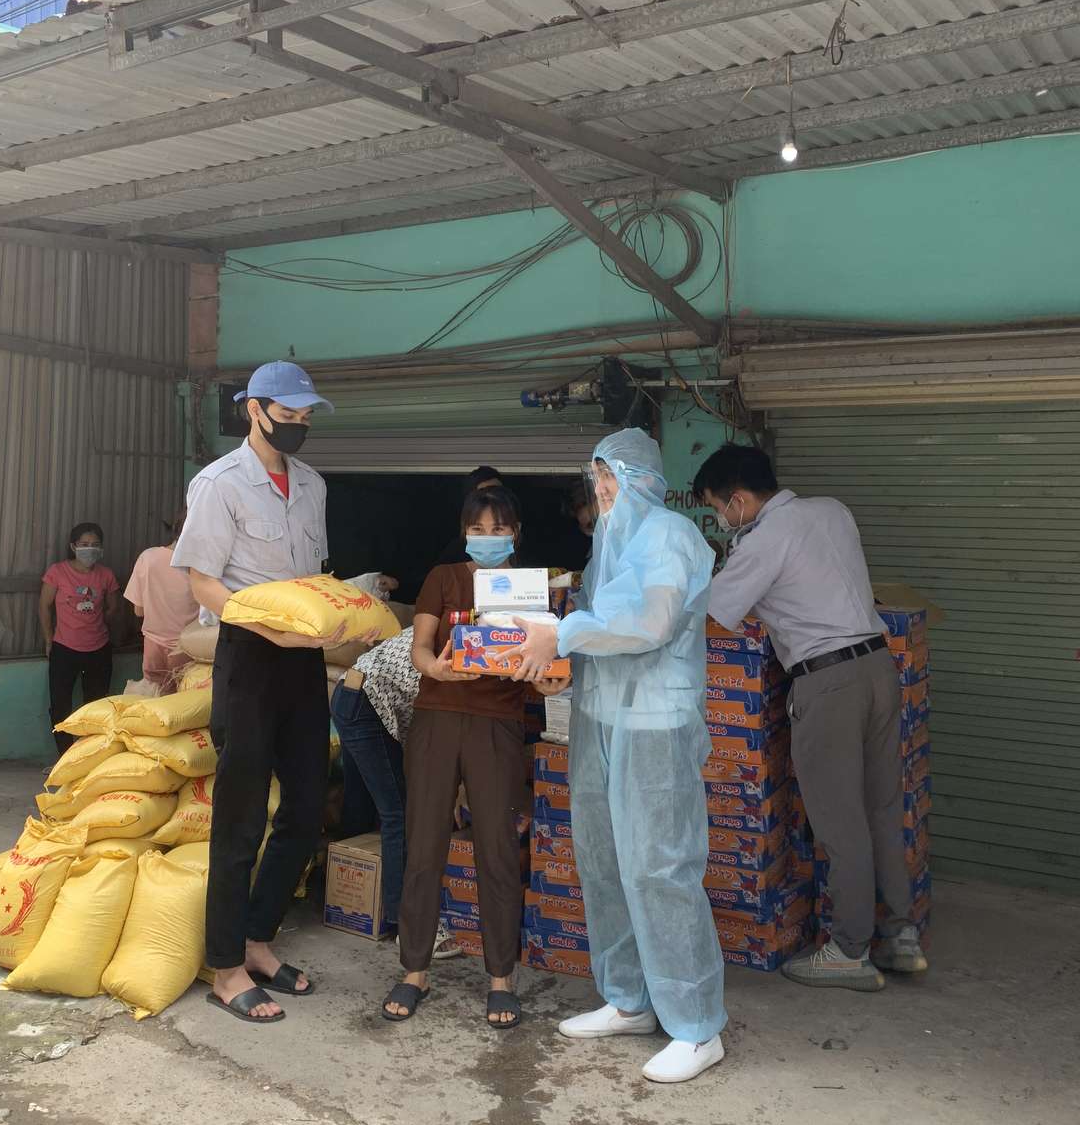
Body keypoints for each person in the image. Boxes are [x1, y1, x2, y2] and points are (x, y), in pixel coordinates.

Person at [512, 430, 727, 1084]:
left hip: (654, 723)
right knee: (603, 862)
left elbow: (651, 624)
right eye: (596, 477)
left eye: (611, 477)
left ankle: (697, 1026)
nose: (601, 489)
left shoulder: (668, 535)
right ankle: (629, 999)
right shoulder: (608, 543)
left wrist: (562, 634)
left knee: (660, 867)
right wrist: (557, 667)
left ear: (641, 481)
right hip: (600, 718)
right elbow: (597, 630)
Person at [692, 443, 925, 990]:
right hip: (877, 669)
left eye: (717, 508)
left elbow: (711, 612)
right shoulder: (832, 511)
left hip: (828, 683)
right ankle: (900, 934)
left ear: (739, 499)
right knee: (882, 809)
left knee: (840, 822)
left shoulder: (763, 539)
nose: (720, 518)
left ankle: (849, 950)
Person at [173, 360, 355, 1026]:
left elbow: (315, 575)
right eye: (288, 414)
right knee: (242, 818)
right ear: (254, 409)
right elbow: (202, 581)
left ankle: (257, 939)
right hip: (249, 658)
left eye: (306, 416)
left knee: (305, 809)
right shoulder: (219, 484)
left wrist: (339, 616)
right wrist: (263, 624)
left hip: (302, 662)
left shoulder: (312, 485)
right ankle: (224, 966)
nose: (298, 425)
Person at [384, 483, 549, 1030]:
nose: (488, 538)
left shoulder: (531, 589)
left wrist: (549, 680)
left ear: (515, 534)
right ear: (465, 533)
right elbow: (420, 649)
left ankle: (501, 978)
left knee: (496, 848)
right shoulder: (444, 578)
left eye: (498, 529)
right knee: (424, 843)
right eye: (478, 529)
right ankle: (415, 971)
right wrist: (437, 668)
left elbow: (543, 670)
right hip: (437, 716)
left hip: (498, 725)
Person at [330, 623, 464, 960]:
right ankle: (409, 926)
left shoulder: (453, 629)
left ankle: (349, 900)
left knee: (364, 808)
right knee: (400, 813)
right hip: (365, 705)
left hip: (356, 696)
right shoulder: (459, 647)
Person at [40, 523, 121, 758]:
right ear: (73, 546)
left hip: (99, 649)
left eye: (95, 545)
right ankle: (65, 758)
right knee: (60, 705)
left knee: (96, 706)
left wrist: (100, 623)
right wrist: (48, 639)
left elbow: (114, 607)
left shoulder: (106, 575)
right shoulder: (57, 572)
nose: (90, 549)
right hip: (64, 648)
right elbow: (44, 606)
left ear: (101, 548)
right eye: (84, 544)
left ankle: (90, 757)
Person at [126, 511, 199, 691]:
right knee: (186, 702)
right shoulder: (202, 566)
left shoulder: (148, 557)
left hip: (153, 649)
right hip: (190, 648)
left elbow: (138, 611)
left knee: (155, 700)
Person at [431, 466, 504, 567]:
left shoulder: (516, 547)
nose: (492, 498)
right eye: (477, 529)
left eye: (499, 493)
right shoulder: (456, 552)